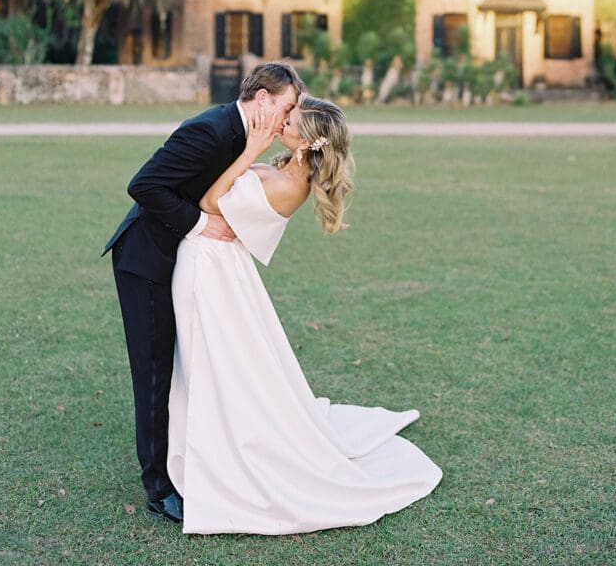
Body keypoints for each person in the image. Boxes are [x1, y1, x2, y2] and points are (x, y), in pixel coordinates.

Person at [166, 93, 442, 534]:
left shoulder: (286, 183)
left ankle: (212, 449)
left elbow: (211, 202)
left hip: (211, 269)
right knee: (212, 359)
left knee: (212, 360)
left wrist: (250, 150)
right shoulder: (288, 169)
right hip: (215, 265)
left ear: (307, 143)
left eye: (290, 120)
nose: (280, 121)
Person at [103, 62, 303, 523]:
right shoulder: (210, 131)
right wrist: (200, 223)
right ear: (262, 100)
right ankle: (159, 488)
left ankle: (193, 458)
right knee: (154, 372)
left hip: (182, 264)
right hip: (146, 262)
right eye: (287, 107)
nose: (289, 117)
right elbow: (143, 185)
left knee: (182, 368)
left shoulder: (245, 136)